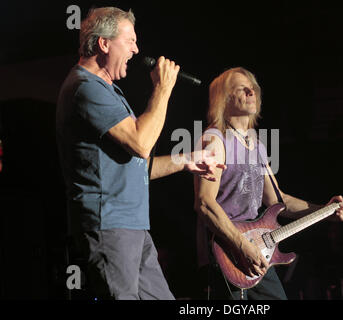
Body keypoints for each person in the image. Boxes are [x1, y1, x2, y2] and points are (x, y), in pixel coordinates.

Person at [56, 7, 223, 300]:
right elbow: (141, 143)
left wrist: (186, 160)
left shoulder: (107, 90)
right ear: (104, 43)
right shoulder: (85, 87)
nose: (136, 49)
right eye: (130, 40)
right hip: (109, 225)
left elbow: (138, 163)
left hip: (132, 226)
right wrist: (163, 89)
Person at [193, 67, 343, 300]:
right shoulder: (215, 139)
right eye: (242, 88)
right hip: (227, 252)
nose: (251, 91)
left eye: (253, 88)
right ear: (224, 98)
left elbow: (279, 201)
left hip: (257, 248)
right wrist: (241, 246)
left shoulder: (255, 144)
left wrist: (326, 211)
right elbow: (204, 204)